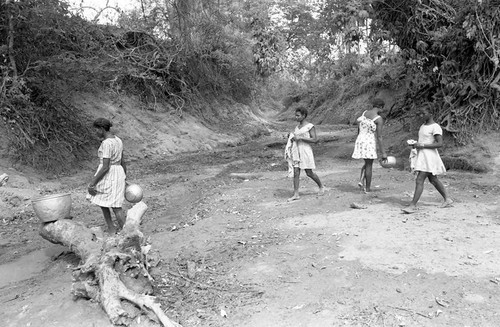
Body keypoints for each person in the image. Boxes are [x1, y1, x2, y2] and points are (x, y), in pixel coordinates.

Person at [403, 105, 453, 213]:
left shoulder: (435, 127)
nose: (420, 115)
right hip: (423, 155)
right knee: (433, 179)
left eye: (423, 113)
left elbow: (439, 144)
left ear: (430, 114)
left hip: (429, 156)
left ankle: (413, 205)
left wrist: (423, 146)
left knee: (420, 179)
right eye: (419, 114)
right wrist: (416, 145)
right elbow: (423, 140)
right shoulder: (423, 126)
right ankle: (447, 199)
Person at [87, 118, 127, 234]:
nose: (95, 133)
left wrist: (93, 182)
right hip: (118, 171)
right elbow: (122, 161)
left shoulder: (106, 144)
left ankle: (126, 232)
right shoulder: (118, 140)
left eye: (96, 130)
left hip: (109, 174)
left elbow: (105, 167)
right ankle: (112, 228)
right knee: (102, 201)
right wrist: (124, 176)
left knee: (115, 206)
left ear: (102, 129)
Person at [288, 107, 325, 201]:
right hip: (297, 151)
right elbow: (296, 138)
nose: (296, 117)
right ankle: (296, 193)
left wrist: (300, 138)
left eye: (298, 115)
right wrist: (292, 138)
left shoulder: (310, 126)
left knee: (309, 172)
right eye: (295, 115)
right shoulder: (297, 127)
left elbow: (315, 139)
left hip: (305, 150)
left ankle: (321, 186)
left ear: (304, 116)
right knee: (296, 172)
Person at [352, 98, 387, 192]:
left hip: (360, 139)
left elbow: (359, 127)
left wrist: (359, 137)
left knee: (367, 163)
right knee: (369, 165)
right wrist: (383, 153)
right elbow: (379, 137)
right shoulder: (378, 119)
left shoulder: (364, 113)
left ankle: (361, 181)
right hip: (369, 141)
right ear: (380, 107)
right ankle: (367, 188)